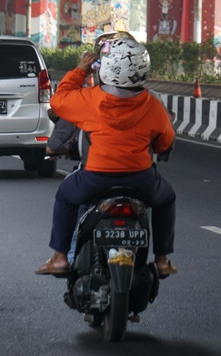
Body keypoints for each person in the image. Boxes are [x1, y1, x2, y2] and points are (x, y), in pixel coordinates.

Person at [36, 33, 177, 279]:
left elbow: (58, 102)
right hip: (141, 180)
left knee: (65, 196)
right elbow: (165, 141)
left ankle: (59, 259)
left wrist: (79, 70)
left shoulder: (90, 99)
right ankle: (163, 260)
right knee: (166, 199)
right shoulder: (153, 105)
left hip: (95, 178)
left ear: (106, 67)